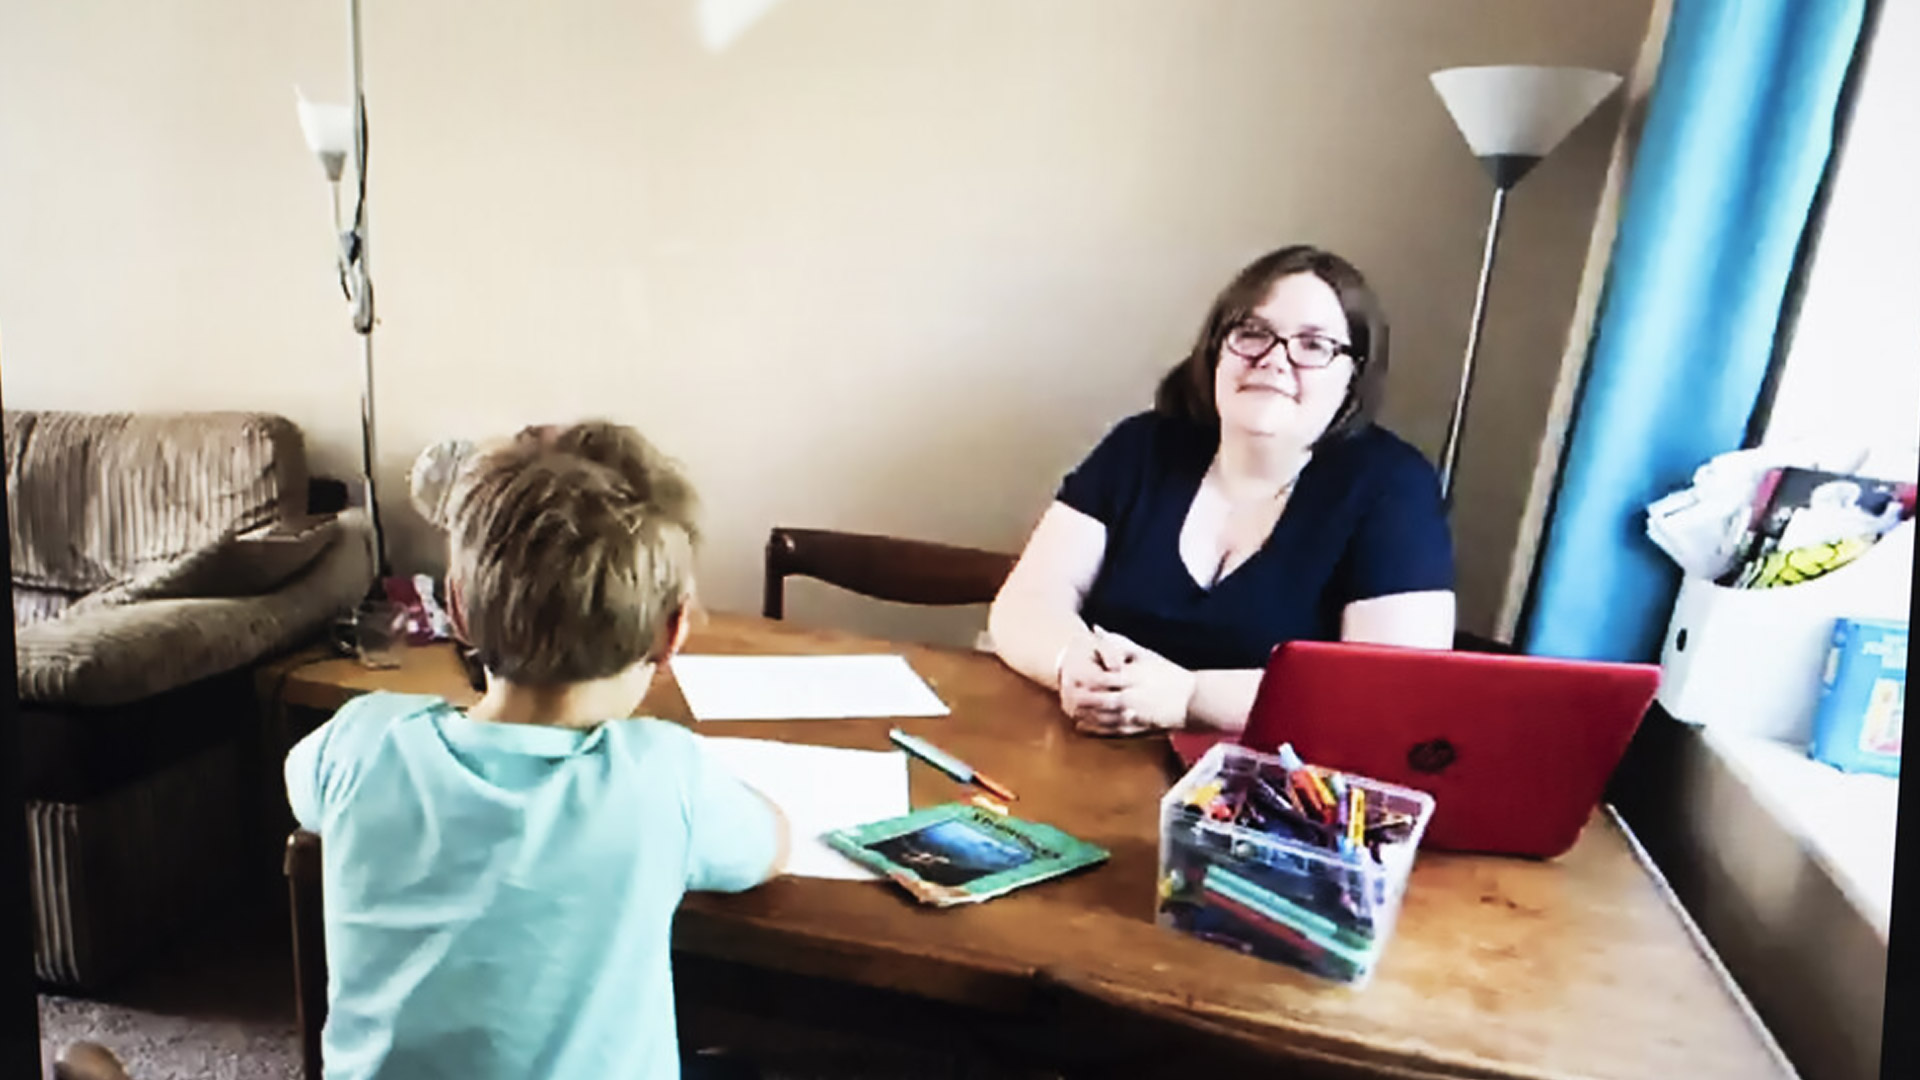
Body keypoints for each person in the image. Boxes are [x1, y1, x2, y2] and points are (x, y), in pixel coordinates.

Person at [286, 421, 790, 1079]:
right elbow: (770, 845)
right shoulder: (666, 775)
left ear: (458, 610)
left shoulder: (358, 740)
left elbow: (306, 790)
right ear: (672, 634)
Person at [989, 245, 1455, 737]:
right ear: (1216, 350)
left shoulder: (1394, 487)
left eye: (1315, 345)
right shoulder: (1142, 446)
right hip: (1086, 754)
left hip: (1266, 789)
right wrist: (1070, 661)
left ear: (1352, 378)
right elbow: (1029, 599)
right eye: (1252, 333)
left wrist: (1188, 696)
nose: (1275, 360)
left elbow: (1389, 693)